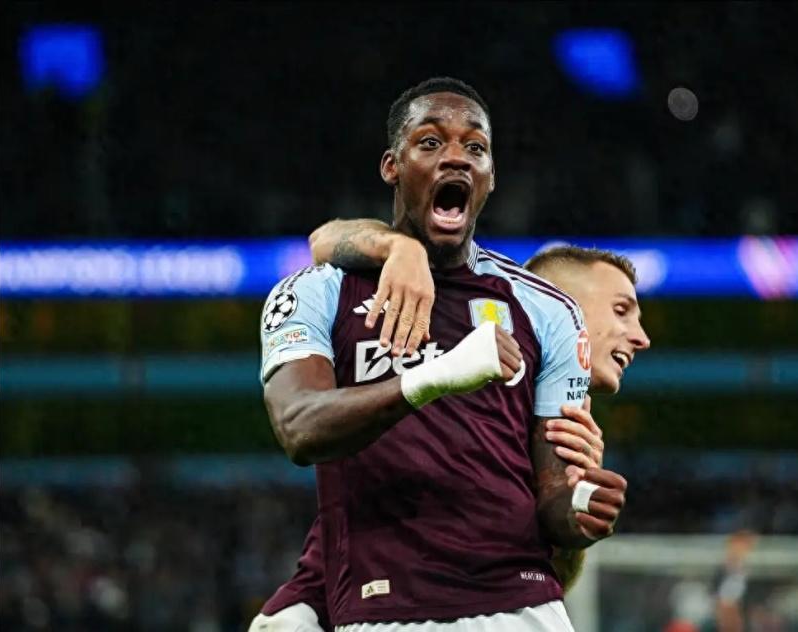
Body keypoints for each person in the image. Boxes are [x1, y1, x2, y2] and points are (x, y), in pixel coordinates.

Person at [258, 77, 628, 631]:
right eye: (430, 142)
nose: (456, 157)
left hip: (523, 611)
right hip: (387, 611)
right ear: (392, 166)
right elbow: (299, 427)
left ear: (490, 177)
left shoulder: (546, 309)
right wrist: (435, 376)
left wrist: (580, 507)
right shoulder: (317, 292)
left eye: (475, 147)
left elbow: (552, 498)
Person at [251, 239, 651, 631]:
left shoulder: (563, 415)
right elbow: (326, 240)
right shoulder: (471, 361)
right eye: (621, 311)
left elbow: (551, 571)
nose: (640, 337)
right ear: (559, 301)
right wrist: (398, 248)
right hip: (364, 608)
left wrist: (576, 509)